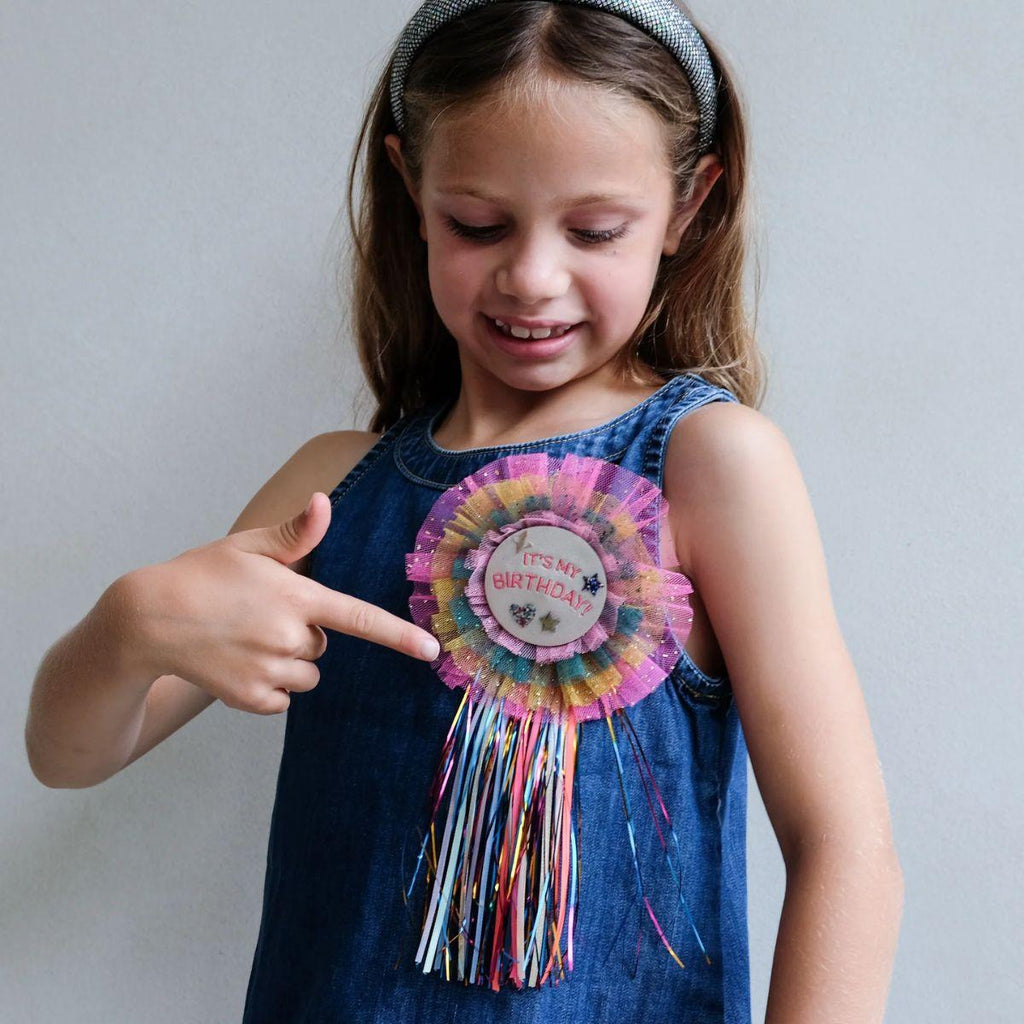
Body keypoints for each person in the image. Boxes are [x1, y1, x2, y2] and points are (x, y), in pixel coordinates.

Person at [24, 1, 904, 1022]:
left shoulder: (707, 464)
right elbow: (67, 753)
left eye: (594, 229)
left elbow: (846, 848)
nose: (530, 276)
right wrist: (129, 627)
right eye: (477, 223)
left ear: (689, 207)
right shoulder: (330, 482)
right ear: (411, 189)